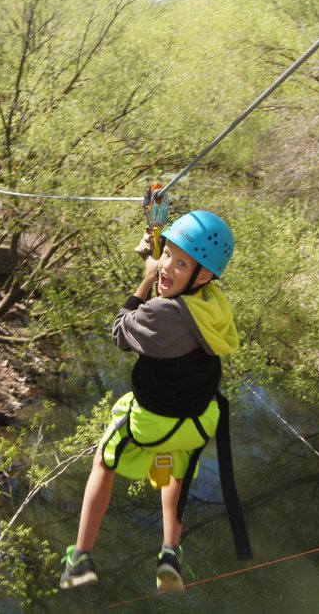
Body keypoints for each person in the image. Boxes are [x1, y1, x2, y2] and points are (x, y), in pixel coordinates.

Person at [59, 210, 249, 594]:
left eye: (181, 263)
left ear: (204, 275)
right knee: (170, 468)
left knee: (103, 460)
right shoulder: (212, 303)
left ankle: (80, 558)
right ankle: (170, 552)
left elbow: (120, 330)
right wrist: (162, 250)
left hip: (151, 420)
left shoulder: (164, 314)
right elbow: (182, 269)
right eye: (168, 256)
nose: (167, 268)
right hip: (196, 424)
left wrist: (146, 277)